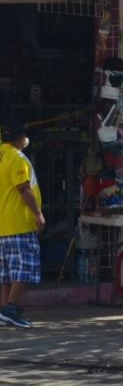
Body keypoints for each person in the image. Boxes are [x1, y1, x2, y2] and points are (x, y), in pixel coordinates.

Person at [0, 119, 44, 328]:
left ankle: (6, 310)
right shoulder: (16, 157)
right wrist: (38, 214)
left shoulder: (1, 154)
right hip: (18, 222)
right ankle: (9, 308)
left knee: (7, 272)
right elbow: (24, 188)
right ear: (20, 138)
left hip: (3, 225)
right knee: (24, 268)